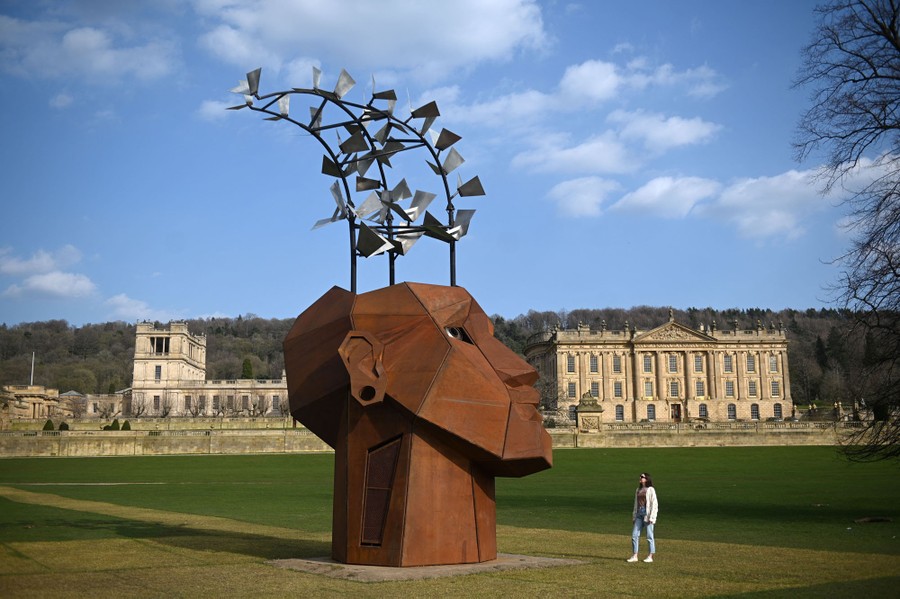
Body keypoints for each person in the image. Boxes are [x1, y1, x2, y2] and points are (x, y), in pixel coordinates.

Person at [627, 472, 658, 563]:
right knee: (634, 535)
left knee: (649, 536)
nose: (640, 478)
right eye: (640, 477)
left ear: (647, 479)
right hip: (639, 514)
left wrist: (652, 517)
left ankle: (650, 556)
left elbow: (654, 504)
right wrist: (634, 516)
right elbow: (635, 504)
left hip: (647, 514)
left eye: (642, 477)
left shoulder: (651, 489)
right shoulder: (638, 490)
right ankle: (634, 555)